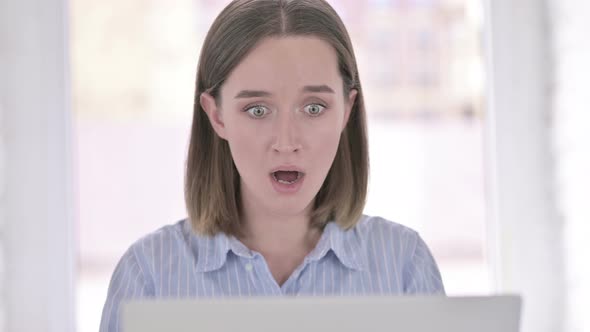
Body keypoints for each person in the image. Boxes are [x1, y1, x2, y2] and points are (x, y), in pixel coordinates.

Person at [100, 0, 444, 331]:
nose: (286, 141)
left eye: (313, 108)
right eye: (258, 110)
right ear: (216, 115)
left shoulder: (403, 265)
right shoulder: (148, 276)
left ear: (346, 110)